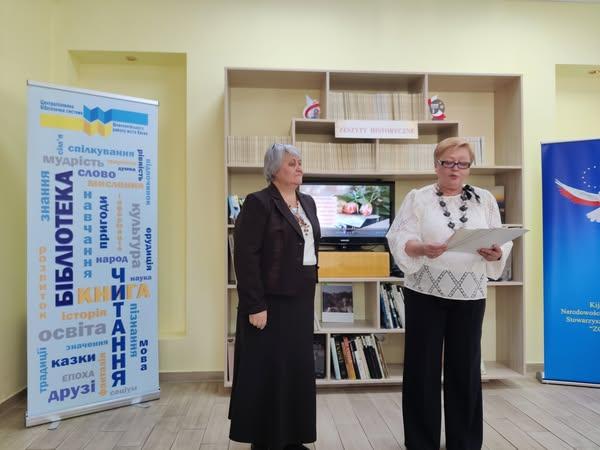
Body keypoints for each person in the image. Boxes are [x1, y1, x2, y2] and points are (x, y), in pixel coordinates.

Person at [386, 137, 512, 450]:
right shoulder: (418, 198)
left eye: (462, 163)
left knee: (465, 369)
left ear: (469, 168)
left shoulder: (484, 199)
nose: (455, 169)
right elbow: (399, 236)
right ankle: (421, 441)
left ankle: (464, 442)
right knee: (422, 368)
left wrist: (497, 252)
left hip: (470, 295)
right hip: (424, 292)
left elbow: (501, 240)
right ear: (436, 165)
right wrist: (421, 248)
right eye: (448, 162)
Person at [228, 143, 320, 450]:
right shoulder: (258, 202)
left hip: (300, 300)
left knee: (295, 369)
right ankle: (267, 441)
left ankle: (291, 438)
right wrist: (255, 304)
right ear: (274, 170)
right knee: (268, 371)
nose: (299, 167)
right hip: (268, 302)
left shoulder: (308, 202)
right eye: (292, 163)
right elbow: (245, 257)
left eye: (300, 162)